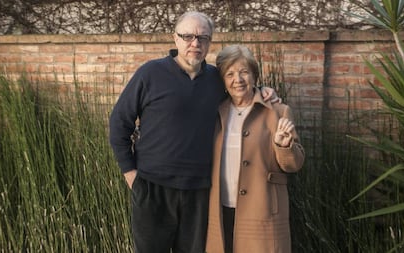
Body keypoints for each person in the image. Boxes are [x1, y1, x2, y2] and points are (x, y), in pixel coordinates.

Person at [109, 11, 278, 253]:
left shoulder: (215, 79)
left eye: (202, 38)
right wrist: (130, 173)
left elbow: (241, 88)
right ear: (175, 38)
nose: (195, 43)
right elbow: (119, 123)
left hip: (200, 191)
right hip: (152, 188)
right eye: (187, 36)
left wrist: (263, 91)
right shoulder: (150, 74)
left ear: (210, 42)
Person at [205, 45, 305, 253]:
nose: (238, 79)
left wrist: (284, 146)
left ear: (254, 76)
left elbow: (294, 164)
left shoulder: (277, 111)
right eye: (230, 74)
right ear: (223, 80)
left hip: (263, 213)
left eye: (244, 72)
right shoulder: (214, 112)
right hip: (220, 211)